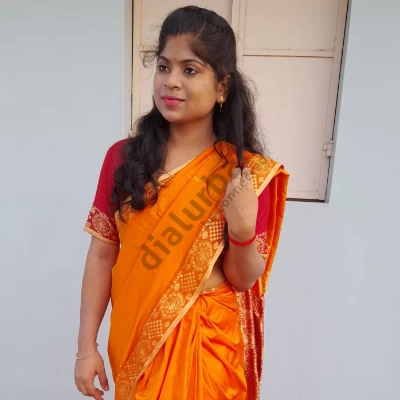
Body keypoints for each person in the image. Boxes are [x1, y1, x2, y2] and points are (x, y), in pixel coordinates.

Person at [74, 6, 289, 400]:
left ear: (222, 86)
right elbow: (102, 256)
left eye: (190, 70)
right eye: (163, 67)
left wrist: (242, 230)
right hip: (137, 340)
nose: (170, 81)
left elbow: (243, 279)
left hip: (208, 350)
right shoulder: (123, 159)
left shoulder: (244, 173)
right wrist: (86, 347)